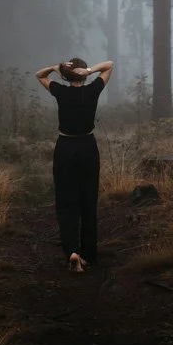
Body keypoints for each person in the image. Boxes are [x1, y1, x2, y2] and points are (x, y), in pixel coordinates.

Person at [36, 56, 114, 273]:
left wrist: (56, 68)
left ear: (67, 74)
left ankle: (72, 251)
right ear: (82, 74)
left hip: (65, 149)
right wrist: (88, 71)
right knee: (88, 201)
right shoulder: (93, 90)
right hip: (88, 148)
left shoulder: (60, 91)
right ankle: (88, 255)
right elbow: (109, 65)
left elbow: (39, 75)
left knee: (66, 202)